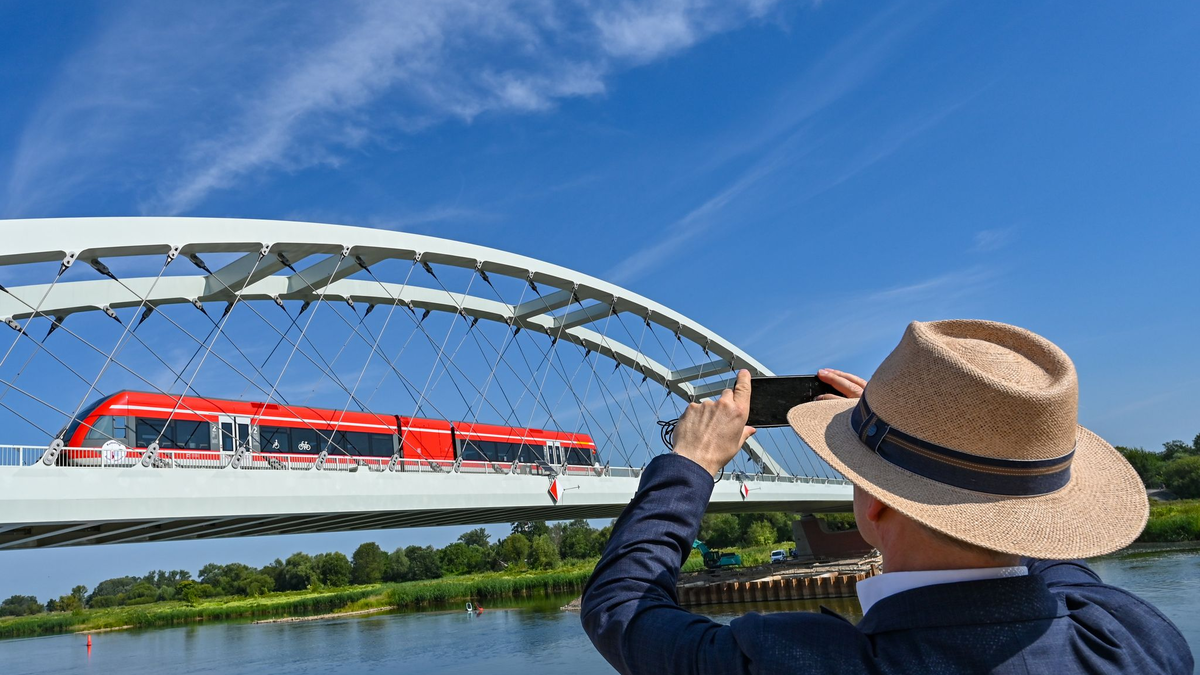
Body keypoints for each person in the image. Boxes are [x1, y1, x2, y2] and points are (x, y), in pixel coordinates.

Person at [581, 320, 1193, 674]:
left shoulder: (789, 661)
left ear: (875, 503)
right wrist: (935, 431)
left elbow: (622, 606)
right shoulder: (1136, 642)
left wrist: (689, 465)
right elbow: (1051, 559)